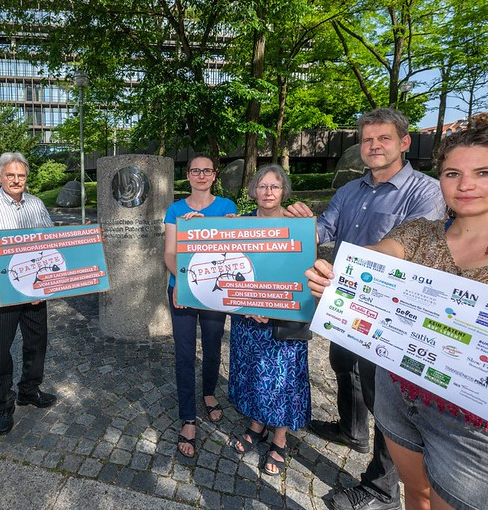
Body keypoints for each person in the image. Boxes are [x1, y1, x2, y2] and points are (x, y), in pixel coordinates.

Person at [306, 118, 488, 510]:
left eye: (484, 172)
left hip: (478, 428)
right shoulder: (420, 233)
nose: (466, 184)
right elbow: (378, 252)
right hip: (401, 389)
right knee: (416, 495)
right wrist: (341, 273)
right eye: (453, 173)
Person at [287, 108, 444, 510]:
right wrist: (298, 226)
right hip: (344, 308)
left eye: (383, 139)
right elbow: (325, 230)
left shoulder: (425, 192)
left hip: (393, 314)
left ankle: (382, 490)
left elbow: (413, 251)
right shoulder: (351, 191)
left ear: (404, 143)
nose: (373, 146)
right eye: (367, 139)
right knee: (344, 367)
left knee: (387, 402)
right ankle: (351, 430)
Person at [229, 164, 311, 476]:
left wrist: (275, 304)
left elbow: (305, 271)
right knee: (252, 373)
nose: (268, 192)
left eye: (274, 187)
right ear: (253, 190)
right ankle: (256, 424)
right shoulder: (241, 223)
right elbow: (229, 267)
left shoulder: (298, 224)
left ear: (284, 191)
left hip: (284, 318)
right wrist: (245, 303)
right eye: (262, 186)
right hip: (248, 317)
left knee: (282, 379)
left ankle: (279, 440)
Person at [0, 152, 56, 436]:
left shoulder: (36, 204)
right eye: (10, 175)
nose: (16, 180)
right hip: (1, 283)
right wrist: (25, 280)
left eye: (21, 175)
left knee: (37, 340)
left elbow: (50, 240)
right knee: (0, 349)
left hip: (36, 282)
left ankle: (29, 390)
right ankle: (4, 405)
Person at [163, 154, 237, 457]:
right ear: (188, 175)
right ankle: (188, 417)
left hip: (214, 291)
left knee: (211, 346)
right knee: (183, 353)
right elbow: (169, 253)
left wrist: (230, 228)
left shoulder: (227, 208)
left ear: (214, 175)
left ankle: (208, 393)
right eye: (196, 170)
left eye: (207, 170)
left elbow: (231, 252)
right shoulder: (176, 209)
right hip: (181, 288)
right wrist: (179, 280)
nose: (201, 175)